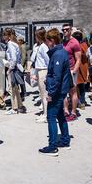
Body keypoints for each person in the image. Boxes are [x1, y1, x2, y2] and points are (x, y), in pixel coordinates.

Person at [39, 28, 72, 156]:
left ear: (52, 41)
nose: (46, 43)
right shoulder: (60, 52)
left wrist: (51, 94)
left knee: (51, 117)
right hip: (60, 90)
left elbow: (57, 77)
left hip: (57, 91)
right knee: (60, 116)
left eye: (47, 41)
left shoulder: (58, 54)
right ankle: (65, 140)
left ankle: (52, 146)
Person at [62, 24, 81, 122]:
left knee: (73, 92)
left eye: (67, 29)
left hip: (71, 70)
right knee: (63, 92)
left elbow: (78, 59)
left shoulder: (75, 42)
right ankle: (66, 111)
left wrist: (74, 71)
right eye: (63, 30)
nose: (65, 31)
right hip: (63, 70)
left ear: (70, 30)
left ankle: (73, 112)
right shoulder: (63, 42)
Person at [3, 28, 25, 115]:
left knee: (12, 89)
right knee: (15, 89)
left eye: (4, 35)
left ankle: (14, 108)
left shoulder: (10, 44)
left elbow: (13, 59)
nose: (3, 37)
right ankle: (19, 106)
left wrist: (9, 69)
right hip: (16, 68)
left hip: (13, 69)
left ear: (8, 36)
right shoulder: (15, 43)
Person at [32, 28, 49, 123]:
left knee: (44, 95)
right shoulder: (41, 46)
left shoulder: (43, 46)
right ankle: (44, 113)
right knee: (42, 94)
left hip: (43, 71)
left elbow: (48, 61)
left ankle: (46, 115)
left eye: (36, 36)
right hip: (40, 70)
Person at [72, 30, 89, 110]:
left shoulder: (78, 46)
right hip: (83, 68)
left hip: (79, 68)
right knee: (81, 86)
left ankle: (81, 102)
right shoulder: (85, 45)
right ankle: (81, 102)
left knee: (78, 86)